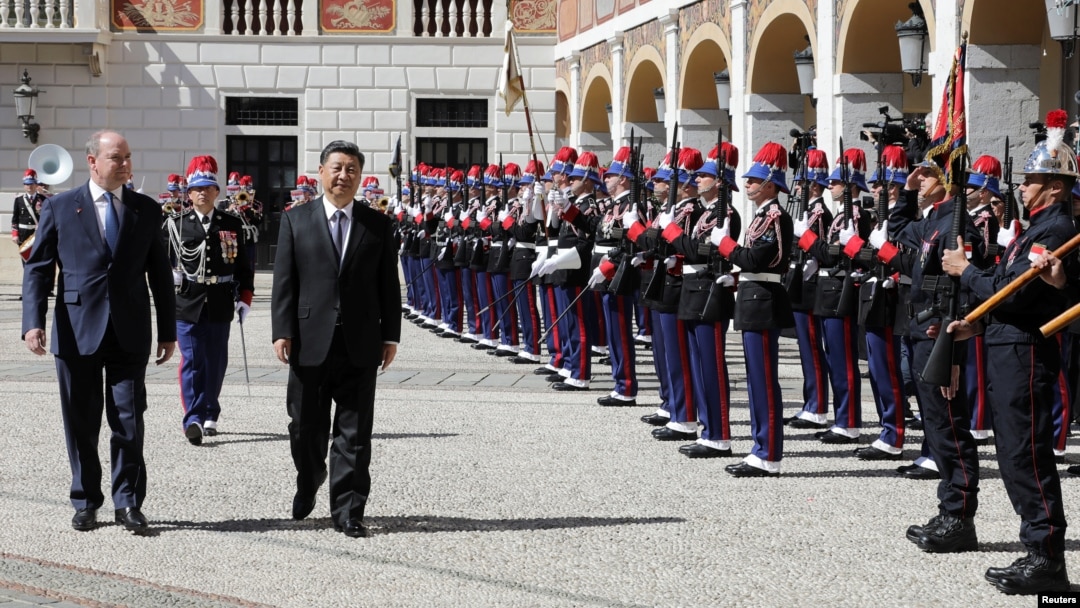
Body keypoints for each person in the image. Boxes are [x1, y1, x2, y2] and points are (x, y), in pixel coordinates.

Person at [941, 110, 1076, 595]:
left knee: (1027, 454)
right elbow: (1006, 291)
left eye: (1033, 180)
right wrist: (973, 324)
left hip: (1026, 352)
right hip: (1004, 345)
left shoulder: (1055, 230)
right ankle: (1036, 549)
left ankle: (1047, 559)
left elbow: (1012, 292)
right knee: (1012, 452)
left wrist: (965, 272)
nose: (1023, 187)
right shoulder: (1034, 229)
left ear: (1056, 187)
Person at [22, 130, 177, 534]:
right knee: (81, 420)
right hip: (76, 329)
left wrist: (167, 330)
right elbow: (38, 269)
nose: (125, 164)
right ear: (92, 162)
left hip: (129, 329)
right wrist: (32, 322)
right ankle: (86, 500)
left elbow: (159, 273)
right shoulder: (60, 206)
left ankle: (127, 502)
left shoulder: (146, 209)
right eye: (116, 157)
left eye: (128, 156)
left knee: (128, 420)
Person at [271, 140, 401, 538]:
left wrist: (390, 335)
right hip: (309, 341)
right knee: (304, 427)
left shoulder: (377, 224)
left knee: (355, 432)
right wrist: (282, 331)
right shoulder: (296, 220)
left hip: (360, 341)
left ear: (359, 177)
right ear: (321, 172)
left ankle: (348, 509)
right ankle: (310, 477)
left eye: (352, 170)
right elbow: (284, 281)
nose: (343, 176)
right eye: (337, 168)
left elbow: (387, 286)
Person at [163, 156, 255, 445]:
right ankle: (193, 417)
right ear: (189, 194)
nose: (203, 193)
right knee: (192, 359)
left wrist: (245, 298)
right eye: (197, 188)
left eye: (208, 188)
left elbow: (244, 266)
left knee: (215, 361)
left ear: (217, 192)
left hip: (219, 299)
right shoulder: (175, 225)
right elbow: (163, 264)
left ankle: (210, 411)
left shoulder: (232, 223)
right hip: (186, 301)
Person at [12, 168, 45, 261]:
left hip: (38, 233)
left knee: (38, 258)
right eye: (26, 184)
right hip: (23, 234)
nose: (29, 186)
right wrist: (15, 234)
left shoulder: (43, 199)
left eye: (31, 183)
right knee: (25, 259)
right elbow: (15, 219)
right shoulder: (18, 200)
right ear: (24, 185)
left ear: (36, 184)